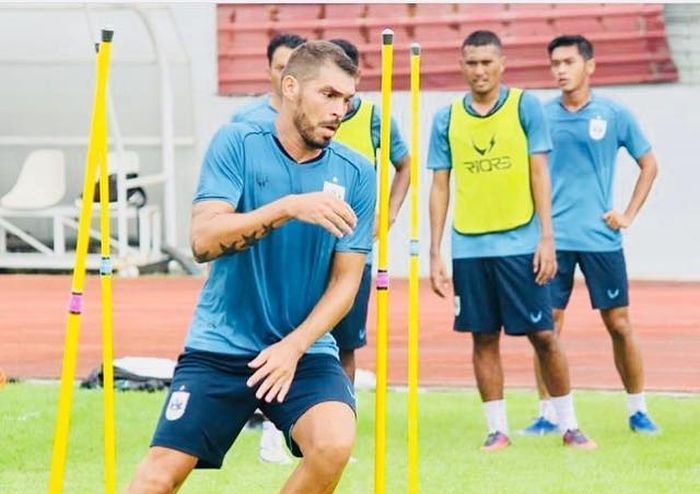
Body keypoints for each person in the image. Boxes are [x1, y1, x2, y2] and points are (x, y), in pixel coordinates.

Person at [126, 41, 376, 494]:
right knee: (159, 476)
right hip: (221, 345)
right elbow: (203, 241)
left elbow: (346, 281)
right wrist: (287, 207)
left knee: (334, 444)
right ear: (291, 86)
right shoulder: (237, 143)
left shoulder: (356, 173)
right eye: (329, 95)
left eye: (347, 99)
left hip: (303, 351)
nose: (340, 110)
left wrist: (294, 347)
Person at [427, 30, 596, 451]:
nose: (479, 70)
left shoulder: (526, 108)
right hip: (470, 247)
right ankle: (497, 429)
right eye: (471, 62)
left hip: (521, 245)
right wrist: (435, 251)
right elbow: (440, 185)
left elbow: (540, 173)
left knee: (543, 335)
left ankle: (568, 425)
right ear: (461, 65)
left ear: (502, 63)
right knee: (483, 337)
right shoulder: (446, 118)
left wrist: (547, 238)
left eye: (487, 62)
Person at [520, 35, 660, 436]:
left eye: (568, 61)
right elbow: (531, 174)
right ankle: (548, 414)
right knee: (548, 326)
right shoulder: (541, 116)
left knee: (619, 324)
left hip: (601, 239)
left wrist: (628, 214)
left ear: (590, 66)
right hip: (553, 241)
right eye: (555, 64)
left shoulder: (614, 114)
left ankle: (638, 409)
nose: (561, 70)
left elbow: (649, 165)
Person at [230, 32, 306, 465]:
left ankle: (298, 430)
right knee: (257, 341)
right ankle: (262, 428)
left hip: (302, 255)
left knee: (302, 340)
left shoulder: (320, 122)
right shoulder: (245, 122)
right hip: (257, 252)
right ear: (270, 72)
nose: (289, 78)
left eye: (297, 68)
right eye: (281, 69)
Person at [328, 37, 411, 384]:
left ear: (356, 74)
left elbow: (404, 165)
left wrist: (387, 215)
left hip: (353, 251)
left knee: (345, 345)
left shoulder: (375, 117)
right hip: (308, 247)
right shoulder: (307, 118)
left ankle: (340, 416)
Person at [232, 33, 306, 124]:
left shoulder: (320, 116)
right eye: (281, 68)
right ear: (269, 73)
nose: (287, 76)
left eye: (294, 68)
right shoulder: (245, 119)